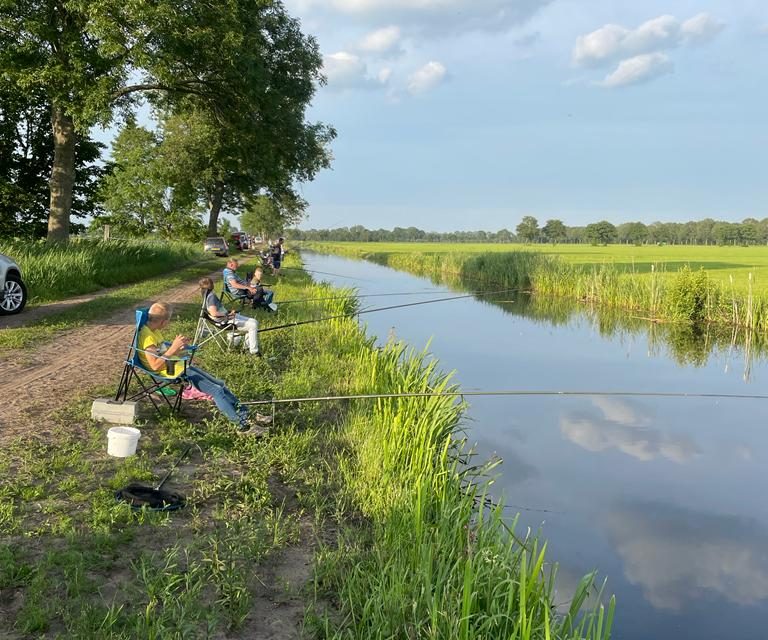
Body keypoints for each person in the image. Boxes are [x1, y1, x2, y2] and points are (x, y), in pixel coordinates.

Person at [138, 302, 271, 432]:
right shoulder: (147, 336)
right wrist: (173, 349)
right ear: (164, 321)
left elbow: (162, 352)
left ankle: (246, 415)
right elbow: (155, 366)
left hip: (177, 365)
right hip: (171, 372)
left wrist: (178, 348)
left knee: (220, 384)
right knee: (216, 391)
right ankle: (242, 427)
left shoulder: (153, 329)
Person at [198, 277, 260, 354]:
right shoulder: (211, 296)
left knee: (254, 321)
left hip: (225, 317)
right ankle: (254, 352)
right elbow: (214, 313)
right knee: (253, 325)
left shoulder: (207, 295)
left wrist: (228, 313)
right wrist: (228, 314)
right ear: (212, 285)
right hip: (224, 320)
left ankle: (247, 347)